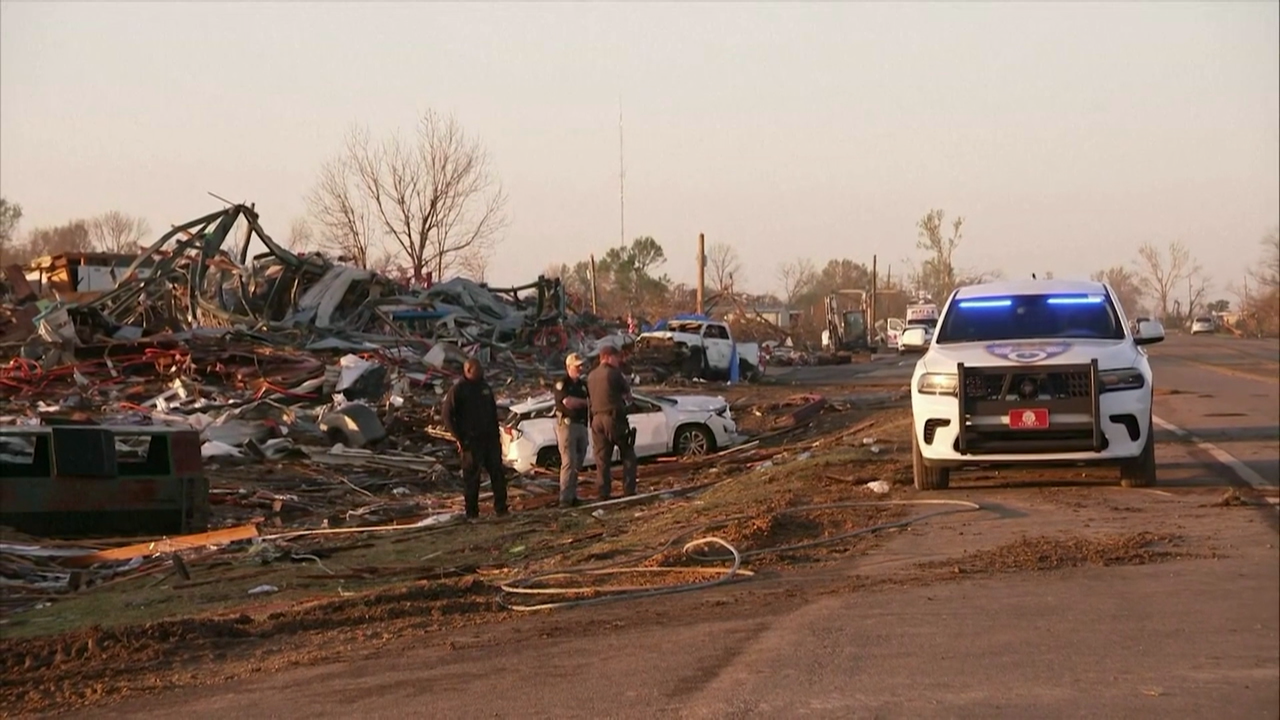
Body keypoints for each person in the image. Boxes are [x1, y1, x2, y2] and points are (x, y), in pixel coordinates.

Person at [440, 358, 509, 519]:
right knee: (472, 479)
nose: (481, 372)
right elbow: (447, 416)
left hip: (490, 440)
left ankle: (501, 508)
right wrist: (459, 437)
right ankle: (472, 513)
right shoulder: (458, 390)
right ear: (468, 370)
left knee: (497, 474)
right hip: (471, 442)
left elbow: (492, 411)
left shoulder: (484, 387)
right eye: (478, 370)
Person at [587, 345, 638, 500]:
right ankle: (629, 489)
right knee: (628, 453)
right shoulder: (614, 374)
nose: (619, 361)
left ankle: (603, 492)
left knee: (602, 459)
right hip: (614, 418)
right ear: (608, 357)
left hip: (596, 420)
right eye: (617, 357)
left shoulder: (591, 375)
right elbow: (627, 394)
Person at [553, 353, 591, 508]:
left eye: (581, 366)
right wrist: (584, 403)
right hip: (567, 426)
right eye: (577, 366)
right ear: (569, 367)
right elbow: (568, 402)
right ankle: (565, 499)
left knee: (578, 462)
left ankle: (573, 495)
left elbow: (588, 402)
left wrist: (581, 403)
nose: (580, 369)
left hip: (581, 425)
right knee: (568, 462)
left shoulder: (582, 385)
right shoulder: (562, 383)